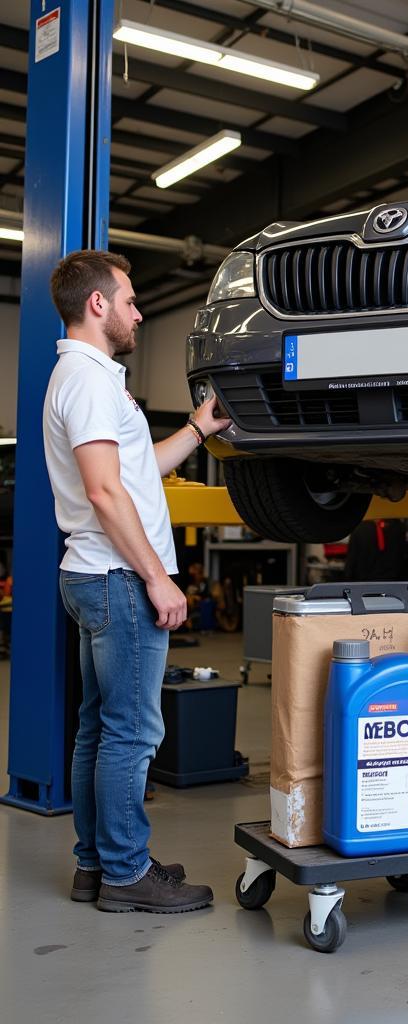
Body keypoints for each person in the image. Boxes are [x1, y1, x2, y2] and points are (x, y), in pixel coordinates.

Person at [42, 250, 231, 913]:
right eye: (128, 299)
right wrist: (158, 577)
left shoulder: (86, 376)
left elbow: (133, 469)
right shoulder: (89, 380)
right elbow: (102, 491)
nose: (137, 311)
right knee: (132, 733)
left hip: (97, 575)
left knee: (101, 727)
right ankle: (126, 875)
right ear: (97, 305)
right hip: (119, 577)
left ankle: (97, 865)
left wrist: (197, 431)